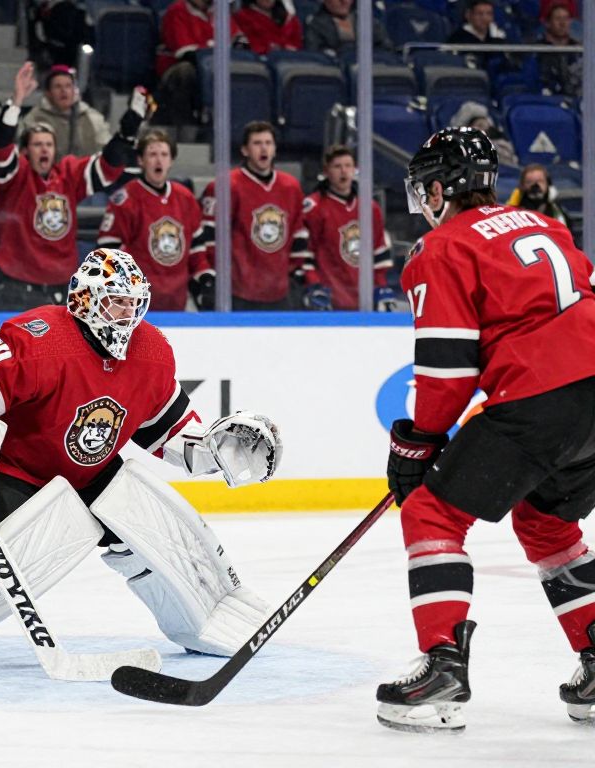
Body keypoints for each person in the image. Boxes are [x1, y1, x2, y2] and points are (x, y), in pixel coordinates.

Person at [0, 247, 283, 676]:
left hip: (92, 474)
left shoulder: (151, 352)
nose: (128, 314)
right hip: (14, 473)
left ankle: (210, 620)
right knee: (12, 562)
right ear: (84, 300)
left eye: (135, 303)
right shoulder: (41, 337)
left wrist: (213, 449)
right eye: (117, 301)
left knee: (150, 523)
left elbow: (165, 427)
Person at [378, 126, 595, 731]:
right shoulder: (545, 225)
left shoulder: (441, 247)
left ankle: (443, 665)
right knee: (548, 521)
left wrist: (415, 442)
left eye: (426, 189)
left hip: (542, 394)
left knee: (431, 513)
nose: (423, 200)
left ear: (443, 188)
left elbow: (448, 367)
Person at [0, 61, 147, 311]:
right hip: (17, 290)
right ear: (25, 151)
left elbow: (107, 167)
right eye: (38, 144)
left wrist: (130, 127)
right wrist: (16, 100)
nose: (45, 149)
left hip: (64, 290)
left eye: (49, 144)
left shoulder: (68, 176)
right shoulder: (14, 179)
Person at [96, 130, 211, 311]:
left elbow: (196, 251)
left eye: (164, 154)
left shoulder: (185, 198)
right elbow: (108, 251)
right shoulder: (126, 199)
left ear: (171, 160)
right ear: (141, 161)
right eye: (152, 154)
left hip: (177, 304)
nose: (159, 160)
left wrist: (205, 277)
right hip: (135, 309)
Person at [200, 121, 305, 311]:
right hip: (237, 292)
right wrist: (218, 277)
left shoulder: (291, 187)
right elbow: (210, 238)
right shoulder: (226, 186)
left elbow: (298, 234)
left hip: (279, 292)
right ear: (245, 150)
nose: (263, 148)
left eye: (268, 143)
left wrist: (293, 275)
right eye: (257, 143)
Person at [296, 145, 393, 311]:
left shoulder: (370, 208)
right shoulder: (314, 207)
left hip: (363, 303)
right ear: (326, 171)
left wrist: (380, 286)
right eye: (337, 166)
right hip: (328, 303)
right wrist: (314, 285)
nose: (344, 171)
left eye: (348, 166)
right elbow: (304, 256)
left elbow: (378, 253)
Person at [153, 0, 241, 138]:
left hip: (213, 67)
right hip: (175, 69)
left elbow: (238, 41)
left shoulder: (219, 11)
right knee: (185, 72)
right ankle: (185, 128)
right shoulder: (177, 10)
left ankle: (235, 131)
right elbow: (184, 52)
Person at [20, 65, 112, 161]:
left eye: (68, 86)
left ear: (74, 91)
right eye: (57, 86)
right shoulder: (34, 119)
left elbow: (106, 150)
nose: (63, 91)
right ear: (48, 93)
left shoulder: (92, 117)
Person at [304, 0, 392, 59]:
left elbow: (387, 48)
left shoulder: (367, 21)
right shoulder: (314, 25)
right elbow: (315, 56)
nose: (344, 1)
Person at [536, 2, 581, 99]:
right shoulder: (537, 51)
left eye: (566, 18)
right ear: (548, 23)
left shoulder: (579, 50)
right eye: (558, 19)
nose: (562, 23)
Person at [506, 163, 571, 228]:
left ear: (548, 184)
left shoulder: (558, 213)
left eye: (540, 181)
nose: (535, 185)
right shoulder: (513, 215)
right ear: (522, 186)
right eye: (529, 182)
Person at [233, 0, 302, 56]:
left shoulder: (289, 19)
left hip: (288, 60)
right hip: (259, 62)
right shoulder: (243, 16)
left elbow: (296, 45)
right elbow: (250, 44)